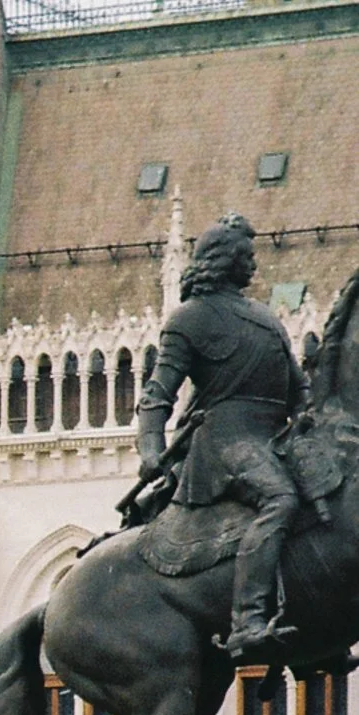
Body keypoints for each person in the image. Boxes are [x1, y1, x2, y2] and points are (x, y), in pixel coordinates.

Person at [135, 213, 310, 663]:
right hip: (225, 444)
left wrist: (312, 421)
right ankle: (248, 620)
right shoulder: (187, 320)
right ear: (223, 260)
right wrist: (151, 450)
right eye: (245, 257)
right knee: (281, 500)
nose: (253, 265)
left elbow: (296, 387)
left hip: (272, 437)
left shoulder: (265, 319)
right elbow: (157, 395)